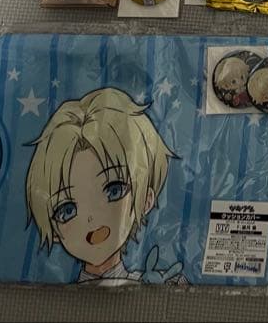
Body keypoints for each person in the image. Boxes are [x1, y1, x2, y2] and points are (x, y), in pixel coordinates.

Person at [25, 88, 184, 285]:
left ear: (146, 199)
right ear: (55, 232)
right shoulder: (52, 292)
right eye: (66, 210)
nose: (92, 218)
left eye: (114, 191)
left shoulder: (155, 282)